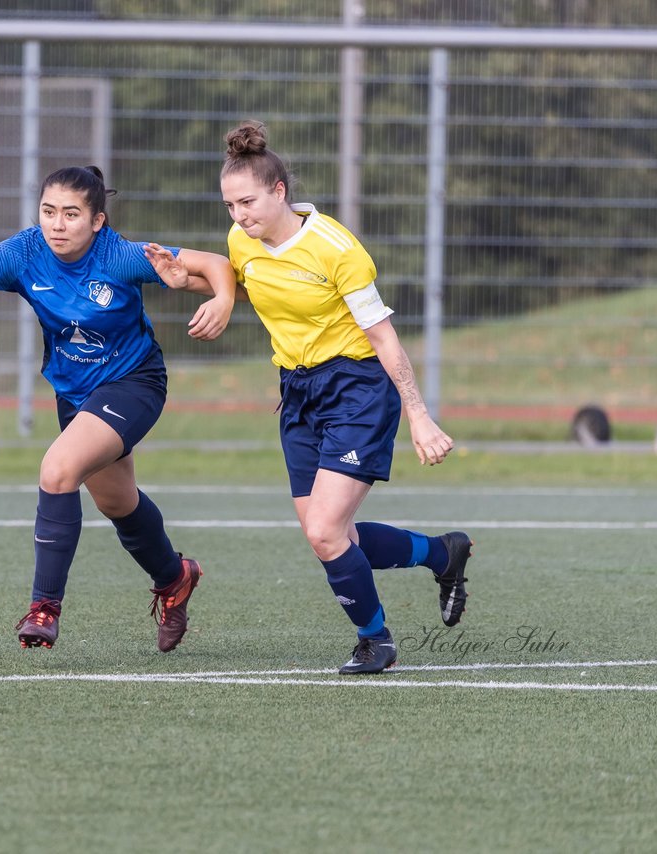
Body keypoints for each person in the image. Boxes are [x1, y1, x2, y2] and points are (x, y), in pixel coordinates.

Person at [0, 165, 236, 652]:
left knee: (57, 470)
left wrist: (224, 300)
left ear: (97, 220)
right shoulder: (24, 253)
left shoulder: (120, 255)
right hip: (76, 394)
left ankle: (44, 608)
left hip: (134, 382)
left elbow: (213, 264)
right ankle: (174, 578)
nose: (57, 224)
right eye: (48, 212)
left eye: (71, 214)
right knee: (116, 501)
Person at [211, 121, 472, 674]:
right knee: (329, 536)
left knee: (327, 531)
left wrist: (419, 417)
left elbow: (384, 338)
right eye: (230, 205)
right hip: (298, 393)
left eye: (249, 202)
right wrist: (199, 286)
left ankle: (376, 641)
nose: (239, 216)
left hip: (357, 389)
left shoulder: (336, 248)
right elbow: (235, 275)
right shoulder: (242, 240)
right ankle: (441, 553)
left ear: (279, 191)